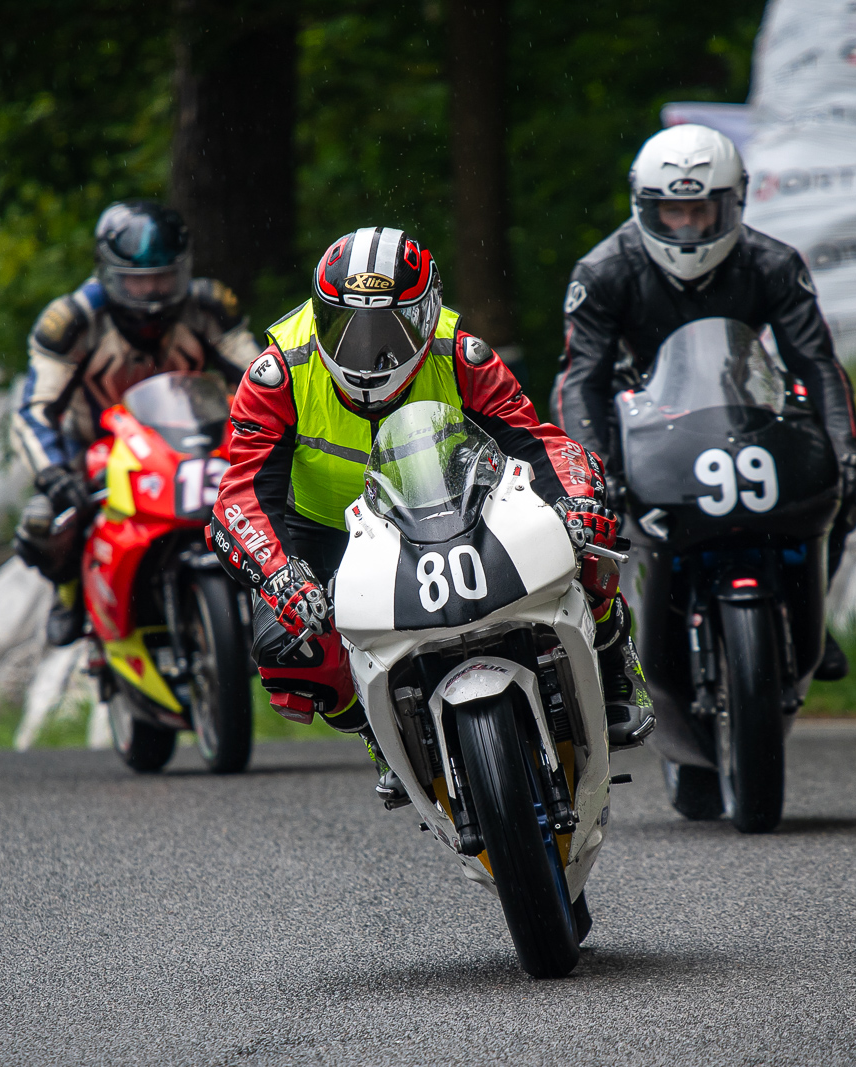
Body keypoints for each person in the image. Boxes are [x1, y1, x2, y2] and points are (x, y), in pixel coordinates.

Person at [210, 227, 653, 799]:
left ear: (426, 315)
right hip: (325, 527)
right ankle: (378, 731)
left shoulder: (460, 353)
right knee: (292, 648)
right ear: (318, 315)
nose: (366, 350)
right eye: (345, 326)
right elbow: (242, 492)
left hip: (450, 501)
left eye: (389, 328)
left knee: (584, 541)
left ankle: (615, 667)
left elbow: (535, 442)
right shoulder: (276, 374)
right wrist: (280, 574)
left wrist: (578, 501)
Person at [552, 124, 856, 680]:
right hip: (638, 416)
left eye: (701, 211)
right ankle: (607, 641)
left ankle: (809, 607)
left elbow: (815, 363)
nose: (686, 227)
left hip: (742, 405)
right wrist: (593, 472)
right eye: (671, 211)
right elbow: (581, 380)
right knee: (587, 517)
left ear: (735, 204)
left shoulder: (775, 263)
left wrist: (846, 445)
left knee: (848, 481)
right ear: (643, 206)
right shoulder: (603, 271)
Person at [11, 199, 261, 645]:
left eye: (164, 278)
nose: (153, 294)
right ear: (108, 274)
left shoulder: (208, 305)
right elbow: (35, 409)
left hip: (191, 441)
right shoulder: (72, 321)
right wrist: (52, 474)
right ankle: (68, 591)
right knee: (44, 521)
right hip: (93, 449)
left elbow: (260, 379)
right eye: (137, 281)